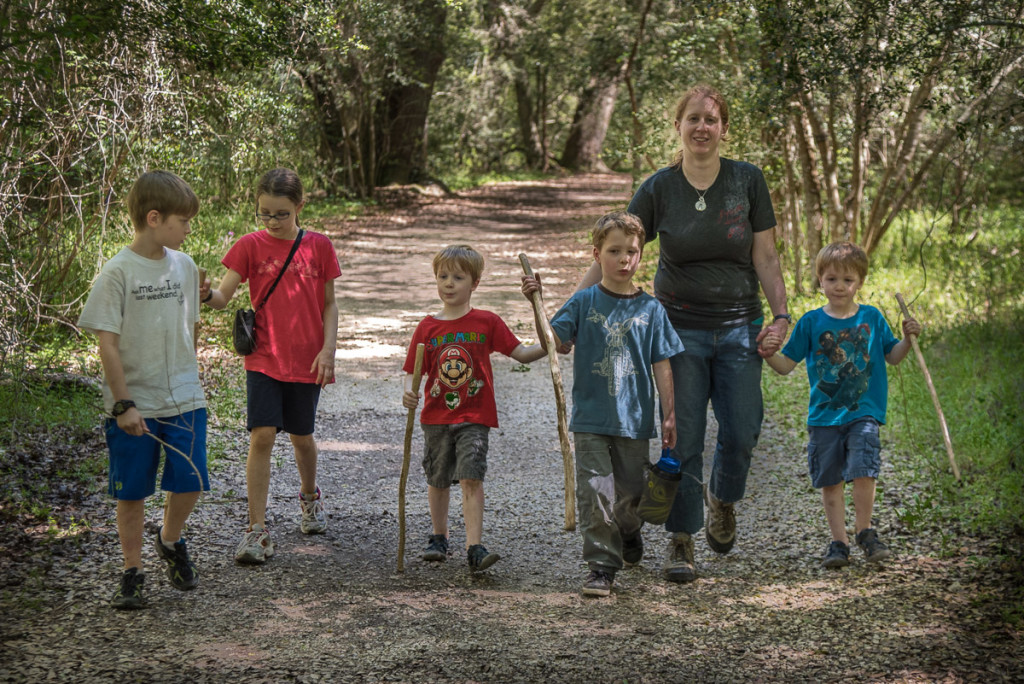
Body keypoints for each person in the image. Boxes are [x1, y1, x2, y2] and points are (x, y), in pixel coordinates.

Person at [573, 84, 789, 583]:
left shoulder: (747, 181)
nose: (701, 128)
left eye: (711, 120)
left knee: (741, 432)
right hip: (676, 329)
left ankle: (724, 500)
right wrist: (573, 309)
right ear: (678, 126)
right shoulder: (658, 187)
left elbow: (766, 257)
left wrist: (780, 317)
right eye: (692, 119)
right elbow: (614, 245)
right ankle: (681, 538)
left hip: (739, 326)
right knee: (683, 435)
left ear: (724, 128)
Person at [522, 212, 685, 597]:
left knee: (630, 496)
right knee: (596, 492)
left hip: (635, 420)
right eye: (614, 251)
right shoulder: (583, 302)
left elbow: (662, 363)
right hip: (591, 417)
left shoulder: (651, 310)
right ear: (597, 254)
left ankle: (629, 532)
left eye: (632, 251)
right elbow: (553, 341)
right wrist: (536, 302)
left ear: (641, 256)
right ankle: (601, 566)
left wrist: (670, 413)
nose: (624, 259)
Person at [78, 170, 210, 609]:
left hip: (185, 397)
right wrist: (123, 405)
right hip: (135, 404)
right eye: (183, 220)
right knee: (131, 491)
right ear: (154, 218)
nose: (189, 229)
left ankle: (170, 540)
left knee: (190, 479)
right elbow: (107, 345)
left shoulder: (186, 266)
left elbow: (189, 328)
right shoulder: (117, 273)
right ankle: (131, 570)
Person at [202, 168, 341, 565]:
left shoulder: (319, 246)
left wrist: (328, 349)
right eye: (264, 213)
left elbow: (330, 303)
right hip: (263, 356)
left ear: (299, 207)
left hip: (307, 357)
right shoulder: (248, 246)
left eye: (280, 213)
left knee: (301, 436)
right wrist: (204, 293)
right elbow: (223, 296)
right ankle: (256, 529)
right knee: (261, 435)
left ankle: (310, 498)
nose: (272, 221)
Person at [761, 242, 921, 568]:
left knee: (864, 468)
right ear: (820, 280)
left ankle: (865, 531)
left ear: (859, 282)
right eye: (831, 279)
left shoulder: (872, 318)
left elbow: (892, 356)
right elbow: (786, 365)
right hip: (824, 416)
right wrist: (767, 353)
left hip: (864, 411)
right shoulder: (810, 322)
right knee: (830, 480)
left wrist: (907, 339)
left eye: (847, 280)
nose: (839, 286)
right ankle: (839, 542)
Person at [402, 245, 546, 573]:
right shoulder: (427, 327)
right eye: (442, 276)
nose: (448, 283)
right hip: (435, 417)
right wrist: (407, 395)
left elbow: (524, 353)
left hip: (474, 417)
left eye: (457, 277)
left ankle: (474, 548)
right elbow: (413, 373)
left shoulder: (487, 322)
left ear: (474, 283)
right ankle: (439, 538)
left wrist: (551, 337)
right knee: (437, 478)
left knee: (471, 477)